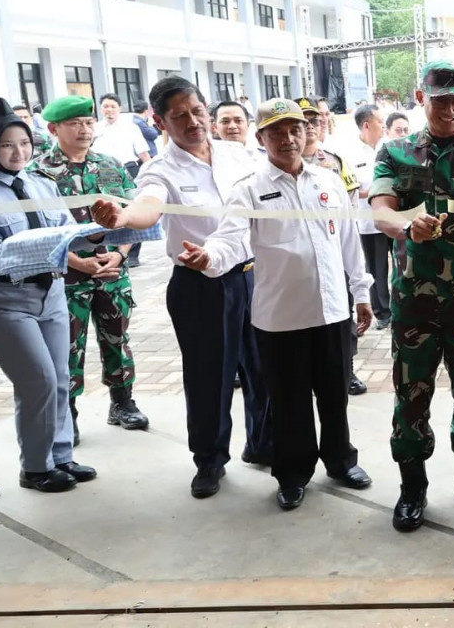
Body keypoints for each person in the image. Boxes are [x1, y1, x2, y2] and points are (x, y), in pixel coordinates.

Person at [178, 97, 374, 511]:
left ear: (307, 133)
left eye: (295, 129)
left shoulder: (327, 181)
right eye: (277, 132)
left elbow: (348, 242)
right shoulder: (250, 189)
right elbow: (230, 239)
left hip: (333, 311)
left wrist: (361, 291)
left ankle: (340, 460)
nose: (287, 139)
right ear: (261, 137)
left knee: (335, 395)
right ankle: (292, 473)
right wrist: (208, 258)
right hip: (281, 318)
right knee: (289, 402)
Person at [89, 76, 273, 498]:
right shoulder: (160, 168)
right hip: (202, 285)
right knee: (211, 376)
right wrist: (120, 218)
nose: (192, 122)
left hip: (258, 276)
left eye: (197, 111)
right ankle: (209, 460)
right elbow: (147, 208)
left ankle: (264, 445)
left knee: (265, 368)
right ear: (159, 121)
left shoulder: (238, 154)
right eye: (179, 116)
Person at [368, 60, 454, 532]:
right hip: (414, 300)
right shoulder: (395, 152)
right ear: (421, 99)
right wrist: (407, 223)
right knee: (411, 395)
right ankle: (413, 487)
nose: (449, 109)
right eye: (439, 100)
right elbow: (380, 211)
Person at [0, 98, 97, 493]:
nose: (18, 153)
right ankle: (35, 467)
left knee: (61, 377)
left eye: (23, 143)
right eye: (5, 145)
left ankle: (61, 456)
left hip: (51, 292)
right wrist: (30, 248)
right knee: (38, 380)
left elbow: (66, 231)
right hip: (5, 300)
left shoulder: (42, 184)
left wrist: (97, 236)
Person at [32, 95, 149, 441]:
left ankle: (122, 402)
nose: (84, 129)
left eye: (88, 122)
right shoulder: (37, 173)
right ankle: (67, 413)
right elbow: (35, 228)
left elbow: (133, 217)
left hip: (113, 271)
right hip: (64, 277)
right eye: (74, 124)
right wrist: (75, 261)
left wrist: (121, 254)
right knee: (66, 346)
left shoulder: (111, 165)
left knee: (117, 338)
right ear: (54, 129)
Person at [296, 97, 367, 397]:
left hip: (333, 253)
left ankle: (346, 370)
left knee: (342, 314)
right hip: (298, 259)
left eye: (315, 121)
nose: (310, 127)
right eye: (304, 122)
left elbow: (349, 212)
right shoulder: (276, 164)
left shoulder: (335, 162)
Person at [94, 94, 151, 266]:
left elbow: (143, 153)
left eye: (112, 106)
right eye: (105, 106)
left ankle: (132, 254)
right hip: (101, 173)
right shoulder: (96, 128)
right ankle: (108, 250)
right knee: (108, 211)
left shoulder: (131, 127)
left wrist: (148, 174)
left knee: (131, 210)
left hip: (128, 171)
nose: (109, 110)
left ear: (119, 108)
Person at [349, 104, 391, 332]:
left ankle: (398, 306)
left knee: (402, 263)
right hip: (368, 222)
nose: (383, 126)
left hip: (393, 217)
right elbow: (351, 190)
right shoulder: (349, 153)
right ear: (366, 125)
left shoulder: (387, 148)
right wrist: (375, 191)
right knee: (376, 269)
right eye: (379, 122)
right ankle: (382, 312)